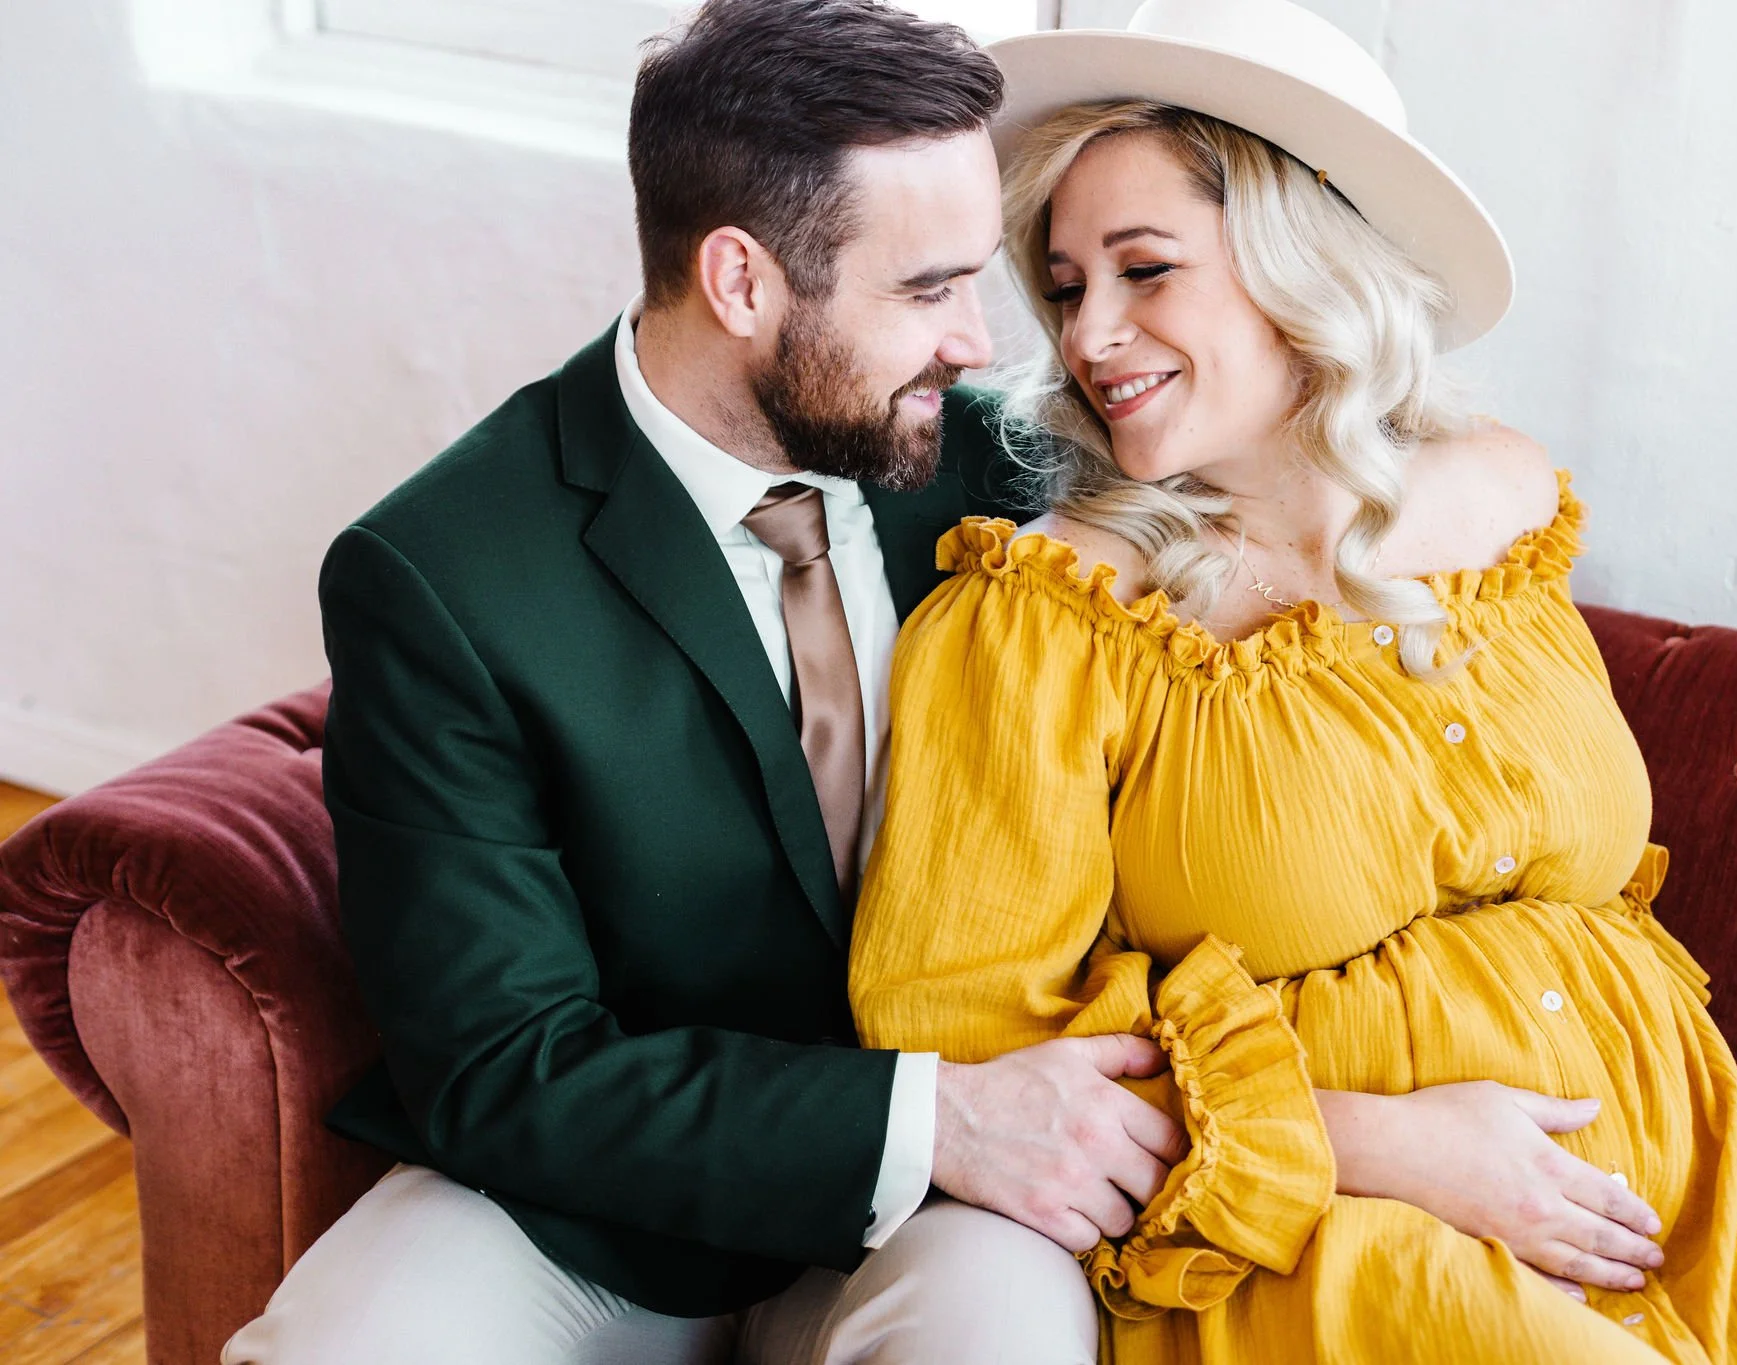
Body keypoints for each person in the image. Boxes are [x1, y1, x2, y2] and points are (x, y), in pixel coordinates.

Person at [848, 1, 1737, 1360]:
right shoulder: (1040, 617)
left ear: (1297, 259)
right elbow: (973, 1048)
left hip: (1690, 1186)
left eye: (1146, 271)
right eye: (1069, 288)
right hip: (1333, 1243)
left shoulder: (1499, 500)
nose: (1089, 339)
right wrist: (1386, 1143)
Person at [223, 3, 1190, 1361]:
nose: (979, 344)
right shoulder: (438, 575)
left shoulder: (1010, 477)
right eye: (925, 290)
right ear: (741, 282)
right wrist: (925, 1116)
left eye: (984, 282)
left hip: (963, 1193)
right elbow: (496, 1061)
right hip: (594, 1205)